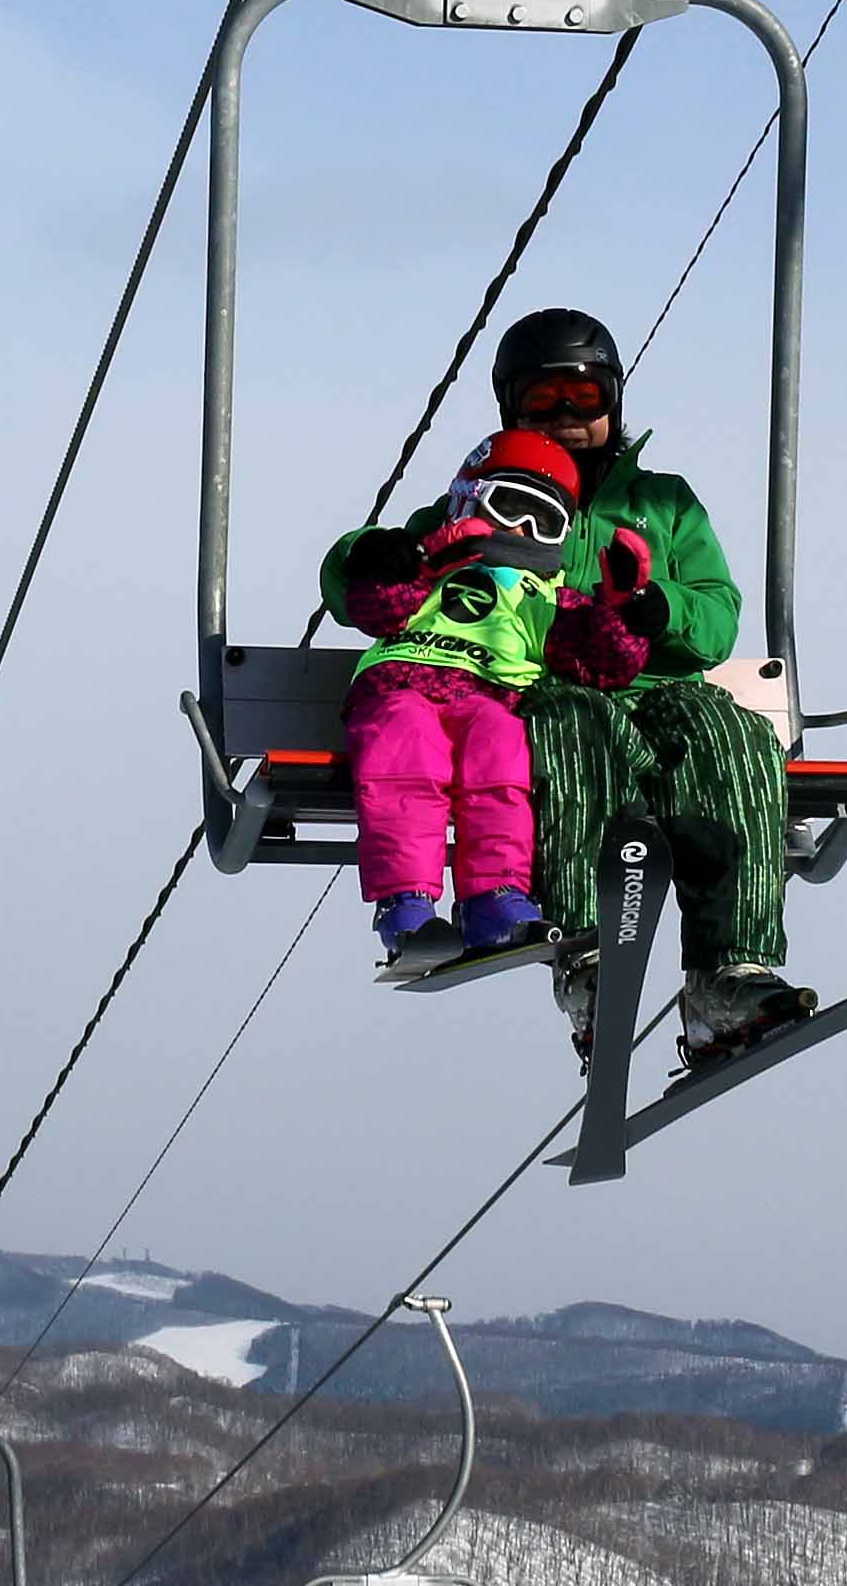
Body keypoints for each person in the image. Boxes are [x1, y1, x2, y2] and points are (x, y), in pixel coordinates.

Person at [328, 305, 809, 1068]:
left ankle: (729, 973)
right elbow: (370, 579)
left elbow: (716, 616)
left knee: (731, 737)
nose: (566, 418)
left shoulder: (664, 503)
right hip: (544, 687)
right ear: (510, 408)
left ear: (613, 400)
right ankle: (587, 955)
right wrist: (369, 553)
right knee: (568, 727)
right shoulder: (481, 493)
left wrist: (659, 608)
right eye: (542, 400)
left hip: (656, 683)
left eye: (583, 397)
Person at [324, 427, 585, 974]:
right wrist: (415, 560)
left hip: (491, 700)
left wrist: (626, 609)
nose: (522, 529)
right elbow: (377, 607)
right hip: (400, 687)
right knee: (406, 760)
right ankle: (407, 902)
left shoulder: (544, 594)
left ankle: (494, 897)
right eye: (510, 507)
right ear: (469, 499)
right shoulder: (429, 571)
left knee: (502, 760)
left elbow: (597, 657)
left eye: (543, 520)